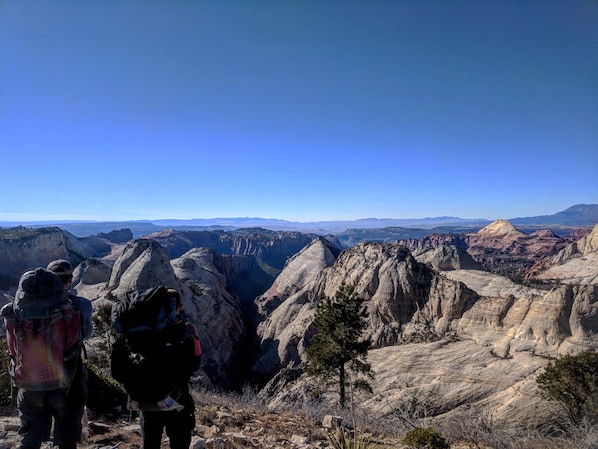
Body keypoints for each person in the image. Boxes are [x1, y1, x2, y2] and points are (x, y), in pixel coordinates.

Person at [12, 260, 93, 449]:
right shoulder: (80, 305)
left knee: (29, 436)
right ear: (70, 280)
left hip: (29, 381)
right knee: (67, 437)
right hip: (67, 380)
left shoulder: (21, 309)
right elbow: (87, 333)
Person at [112, 288, 201, 449]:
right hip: (176, 400)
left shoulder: (136, 335)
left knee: (150, 444)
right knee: (180, 442)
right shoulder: (186, 331)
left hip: (146, 401)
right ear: (177, 307)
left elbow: (118, 371)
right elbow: (195, 364)